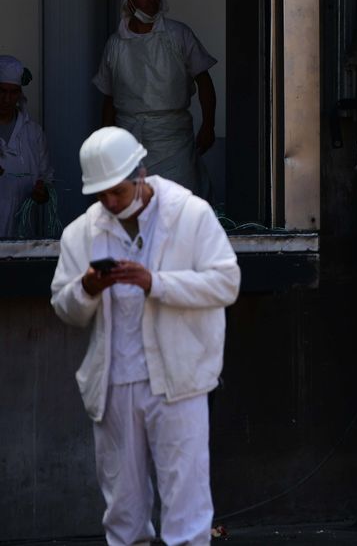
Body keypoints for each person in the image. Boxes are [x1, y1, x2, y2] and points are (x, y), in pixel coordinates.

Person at [50, 127, 240, 546]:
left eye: (117, 191)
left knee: (186, 507)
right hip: (115, 381)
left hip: (178, 380)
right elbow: (64, 307)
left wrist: (156, 282)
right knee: (123, 511)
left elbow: (226, 283)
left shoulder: (189, 213)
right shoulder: (82, 232)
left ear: (141, 173)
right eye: (101, 195)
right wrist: (87, 288)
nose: (111, 203)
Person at [93, 0, 218, 195]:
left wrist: (209, 124)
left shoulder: (178, 34)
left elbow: (205, 81)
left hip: (174, 141)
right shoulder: (115, 44)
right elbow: (109, 98)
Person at [0, 55, 53, 239]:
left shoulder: (32, 133)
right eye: (1, 91)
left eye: (13, 92)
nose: (7, 99)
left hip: (22, 235)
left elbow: (46, 180)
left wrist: (42, 193)